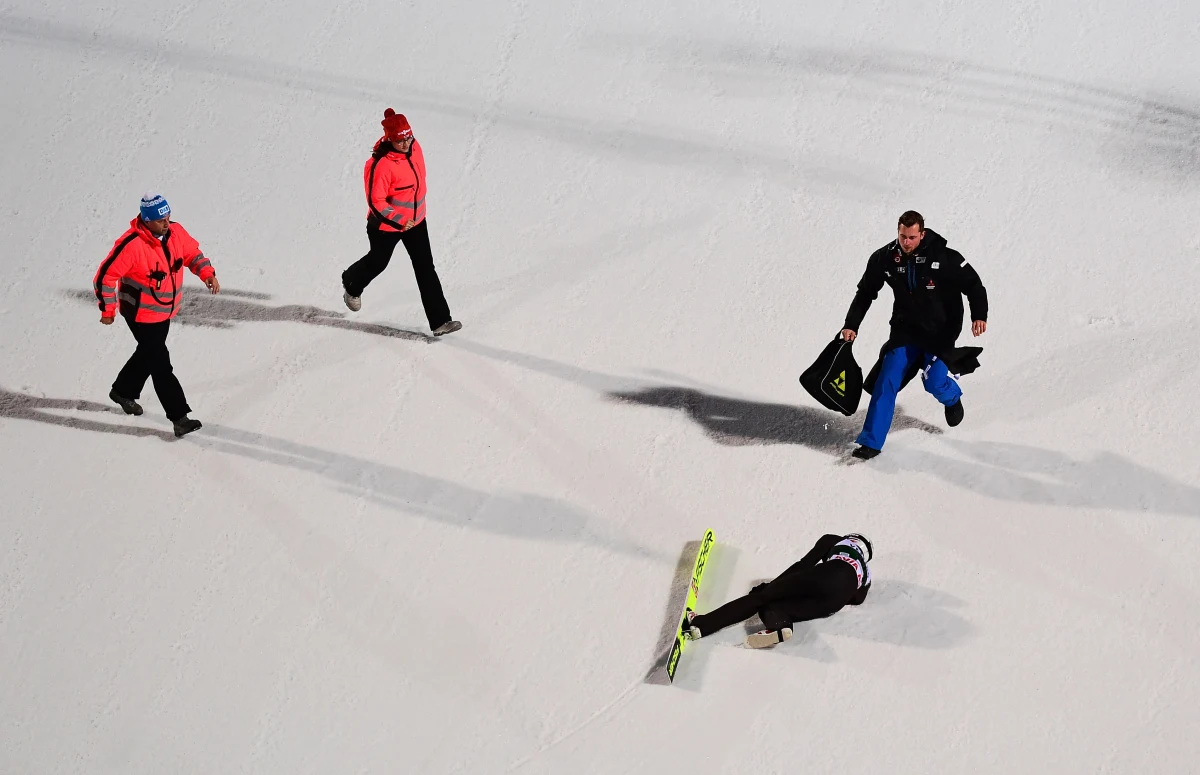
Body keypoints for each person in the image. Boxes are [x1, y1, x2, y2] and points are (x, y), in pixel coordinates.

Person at [841, 211, 988, 459]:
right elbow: (865, 292)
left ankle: (952, 398)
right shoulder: (885, 258)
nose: (906, 242)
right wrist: (851, 324)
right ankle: (871, 443)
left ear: (922, 234)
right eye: (902, 237)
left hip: (940, 331)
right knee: (886, 380)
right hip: (905, 331)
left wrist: (979, 315)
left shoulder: (944, 257)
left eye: (911, 237)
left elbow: (974, 284)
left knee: (933, 382)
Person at [93, 193, 220, 437]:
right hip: (140, 314)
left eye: (168, 217)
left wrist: (207, 273)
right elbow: (105, 277)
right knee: (161, 364)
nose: (166, 223)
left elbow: (192, 254)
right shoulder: (131, 245)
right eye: (161, 219)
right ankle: (179, 417)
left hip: (163, 310)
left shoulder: (176, 232)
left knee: (148, 353)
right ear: (147, 220)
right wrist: (108, 309)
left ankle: (123, 390)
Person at [341, 109, 462, 337]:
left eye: (408, 137)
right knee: (378, 263)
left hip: (416, 222)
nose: (406, 143)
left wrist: (413, 218)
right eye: (400, 140)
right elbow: (375, 201)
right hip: (385, 226)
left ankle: (440, 322)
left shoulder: (415, 147)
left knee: (426, 268)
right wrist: (398, 220)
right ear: (389, 139)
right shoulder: (381, 164)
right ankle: (351, 282)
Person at [682, 533, 873, 648]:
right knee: (778, 607)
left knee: (762, 598)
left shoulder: (835, 540)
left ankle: (701, 625)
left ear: (851, 537)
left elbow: (803, 565)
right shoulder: (867, 573)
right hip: (835, 600)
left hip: (829, 573)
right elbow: (857, 599)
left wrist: (773, 586)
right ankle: (781, 625)